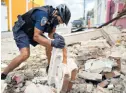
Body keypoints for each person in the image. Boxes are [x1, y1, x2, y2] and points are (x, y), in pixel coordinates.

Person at [1, 4, 71, 80]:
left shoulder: (54, 19)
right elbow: (36, 37)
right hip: (22, 30)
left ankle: (50, 67)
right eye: (59, 21)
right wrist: (53, 42)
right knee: (25, 54)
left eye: (60, 23)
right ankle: (4, 74)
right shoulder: (43, 14)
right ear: (56, 13)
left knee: (49, 45)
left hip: (33, 31)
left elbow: (51, 34)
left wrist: (55, 36)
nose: (57, 23)